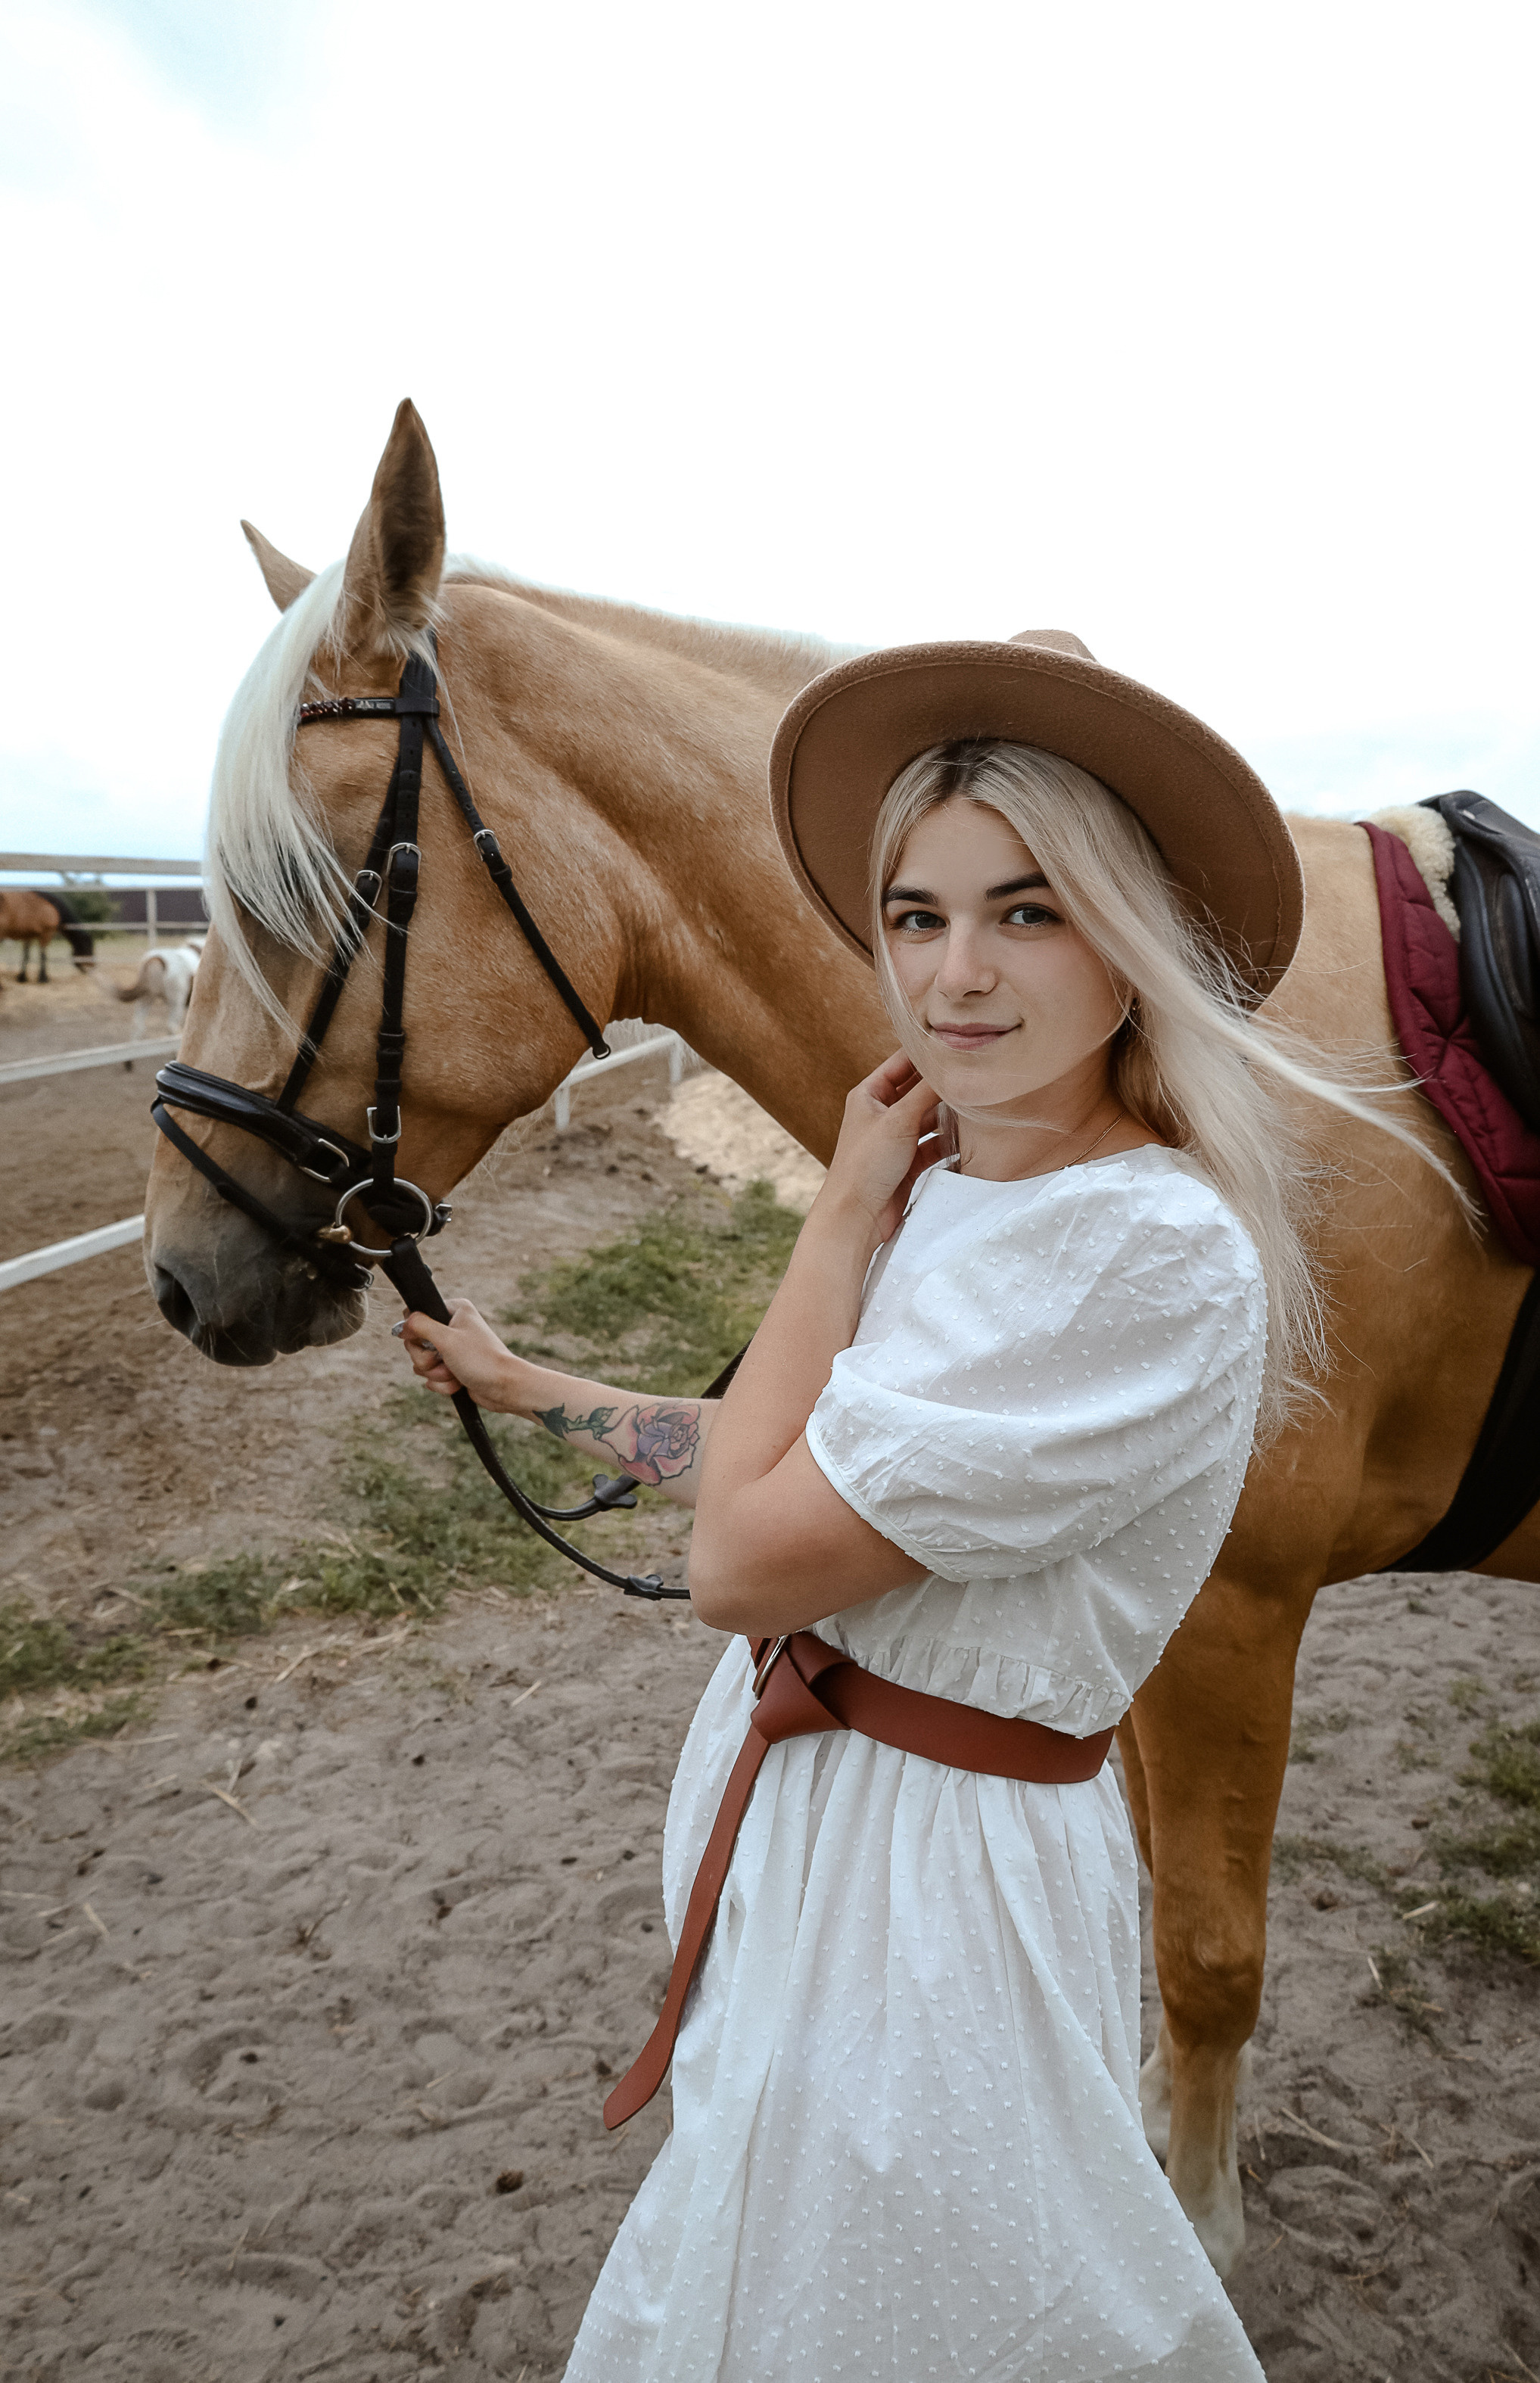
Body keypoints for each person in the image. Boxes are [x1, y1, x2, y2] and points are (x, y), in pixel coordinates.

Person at [395, 632, 1410, 2380]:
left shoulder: (1137, 1254)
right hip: (830, 1865)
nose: (954, 976)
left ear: (1133, 942)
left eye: (1028, 911)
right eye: (917, 916)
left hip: (936, 1909)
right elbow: (789, 1449)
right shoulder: (969, 1194)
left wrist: (835, 1217)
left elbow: (743, 1558)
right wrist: (534, 1388)